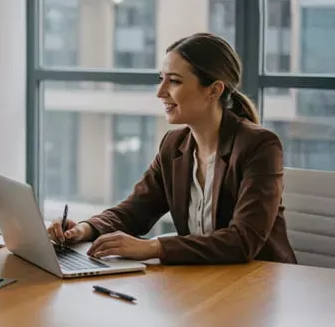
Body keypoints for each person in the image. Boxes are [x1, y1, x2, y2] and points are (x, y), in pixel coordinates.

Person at [47, 33, 297, 265]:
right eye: (161, 79)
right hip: (202, 280)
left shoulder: (260, 146)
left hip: (258, 283)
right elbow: (134, 211)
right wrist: (83, 229)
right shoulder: (174, 145)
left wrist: (154, 247)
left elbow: (243, 241)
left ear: (214, 90)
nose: (160, 92)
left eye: (174, 81)